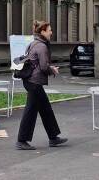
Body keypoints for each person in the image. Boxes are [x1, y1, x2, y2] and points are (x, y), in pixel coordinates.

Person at [16, 20, 67, 151]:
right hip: (34, 82)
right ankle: (22, 141)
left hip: (30, 80)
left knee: (45, 109)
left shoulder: (33, 43)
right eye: (49, 30)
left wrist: (49, 68)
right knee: (31, 111)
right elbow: (44, 67)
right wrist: (53, 70)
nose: (51, 32)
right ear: (43, 31)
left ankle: (53, 137)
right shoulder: (42, 46)